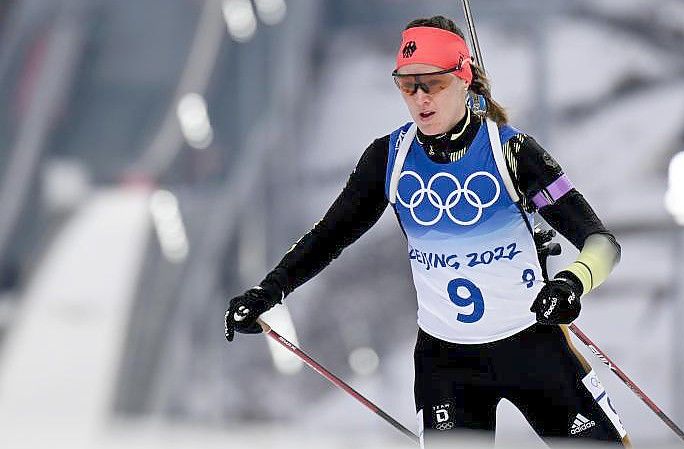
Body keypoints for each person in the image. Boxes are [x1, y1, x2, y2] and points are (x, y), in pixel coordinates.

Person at [225, 15, 630, 448]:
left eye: (432, 83)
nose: (420, 98)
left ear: (464, 77)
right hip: (448, 363)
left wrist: (571, 283)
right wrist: (267, 293)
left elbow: (601, 243)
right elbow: (328, 237)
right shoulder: (390, 159)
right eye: (407, 85)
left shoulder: (511, 151)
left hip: (533, 347)